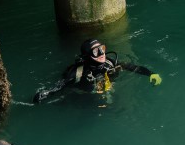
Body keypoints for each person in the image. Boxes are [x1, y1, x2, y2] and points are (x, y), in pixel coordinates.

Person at [33, 38, 162, 102]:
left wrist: (150, 73)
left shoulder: (110, 63)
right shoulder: (77, 72)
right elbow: (60, 86)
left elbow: (132, 67)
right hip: (84, 98)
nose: (101, 53)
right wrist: (45, 93)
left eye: (102, 49)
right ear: (87, 56)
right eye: (96, 51)